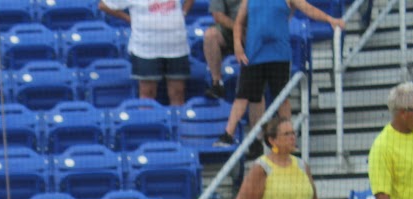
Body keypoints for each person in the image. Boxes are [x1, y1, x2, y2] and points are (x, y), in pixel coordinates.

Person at [214, 0, 344, 148]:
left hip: (279, 54)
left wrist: (330, 19)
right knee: (243, 96)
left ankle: (288, 136)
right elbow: (238, 23)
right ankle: (228, 135)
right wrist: (238, 45)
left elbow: (308, 9)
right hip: (254, 54)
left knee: (282, 98)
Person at [98, 0, 193, 106]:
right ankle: (147, 121)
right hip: (146, 49)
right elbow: (104, 5)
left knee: (178, 93)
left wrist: (183, 12)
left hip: (177, 46)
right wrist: (129, 19)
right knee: (148, 94)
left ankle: (177, 121)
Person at [204, 0, 243, 100]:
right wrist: (237, 28)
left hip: (256, 29)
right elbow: (217, 15)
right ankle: (217, 83)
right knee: (210, 35)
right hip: (230, 29)